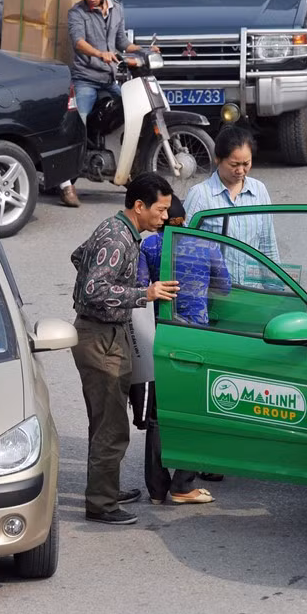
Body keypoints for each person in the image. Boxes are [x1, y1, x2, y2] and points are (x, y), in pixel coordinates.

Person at [71, 174, 180, 525]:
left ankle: (106, 487)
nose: (165, 217)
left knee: (106, 420)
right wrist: (141, 294)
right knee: (111, 426)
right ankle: (101, 504)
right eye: (161, 210)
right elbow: (91, 290)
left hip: (109, 332)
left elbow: (79, 256)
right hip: (99, 336)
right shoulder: (118, 238)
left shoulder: (119, 232)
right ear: (139, 206)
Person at [132, 195, 230, 504]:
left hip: (163, 334)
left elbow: (141, 288)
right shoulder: (207, 245)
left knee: (160, 413)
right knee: (195, 409)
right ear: (185, 217)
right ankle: (184, 483)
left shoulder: (149, 247)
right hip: (196, 336)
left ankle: (157, 489)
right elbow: (224, 287)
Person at [63, 0, 157, 208]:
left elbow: (123, 42)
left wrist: (145, 49)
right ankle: (66, 183)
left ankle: (123, 170)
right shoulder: (77, 13)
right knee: (77, 125)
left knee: (131, 118)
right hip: (85, 80)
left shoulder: (117, 10)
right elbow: (78, 42)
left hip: (110, 79)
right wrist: (99, 53)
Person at [183, 126, 280, 284]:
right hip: (214, 294)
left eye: (246, 163)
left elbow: (267, 243)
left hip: (251, 292)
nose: (241, 170)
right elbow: (182, 245)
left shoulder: (259, 190)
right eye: (234, 165)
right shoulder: (200, 195)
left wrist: (276, 290)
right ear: (218, 159)